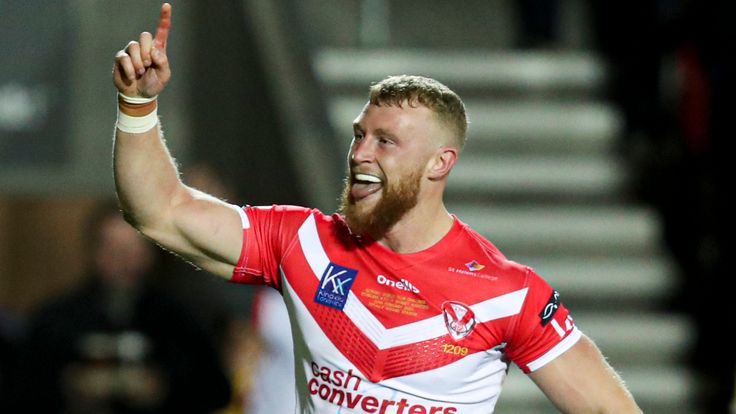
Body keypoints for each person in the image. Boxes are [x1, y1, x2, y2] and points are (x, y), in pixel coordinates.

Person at [111, 4, 642, 413]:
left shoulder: (510, 294)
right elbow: (161, 210)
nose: (361, 154)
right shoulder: (303, 243)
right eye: (359, 136)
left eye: (386, 142)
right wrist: (138, 106)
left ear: (440, 163)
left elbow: (605, 407)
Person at [14, 202, 231, 413]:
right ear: (94, 253)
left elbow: (216, 390)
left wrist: (164, 388)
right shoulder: (56, 318)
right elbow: (21, 390)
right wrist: (67, 388)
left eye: (132, 249)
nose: (123, 260)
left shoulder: (177, 318)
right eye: (113, 249)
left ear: (150, 254)